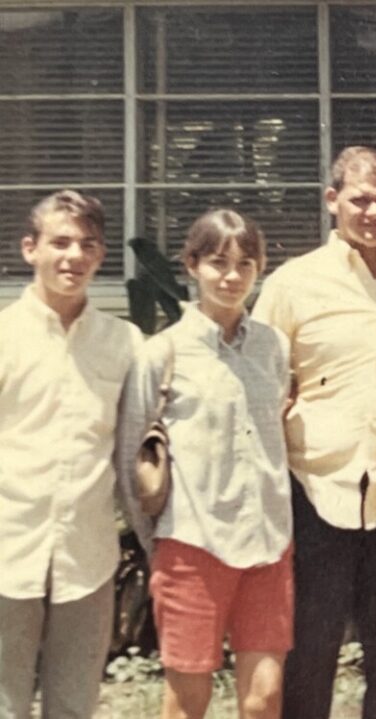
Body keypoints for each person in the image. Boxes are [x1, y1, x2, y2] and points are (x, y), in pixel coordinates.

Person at [252, 146, 376, 719]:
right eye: (359, 199)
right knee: (310, 651)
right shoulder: (294, 283)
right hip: (316, 488)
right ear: (332, 200)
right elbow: (260, 376)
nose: (372, 212)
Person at [117, 209, 293, 719]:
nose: (232, 276)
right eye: (218, 262)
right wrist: (159, 544)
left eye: (245, 263)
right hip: (192, 546)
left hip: (267, 545)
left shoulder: (273, 348)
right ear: (192, 265)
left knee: (263, 699)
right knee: (187, 703)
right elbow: (131, 457)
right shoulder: (164, 352)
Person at [0, 190, 142, 718]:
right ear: (30, 248)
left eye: (87, 244)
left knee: (74, 706)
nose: (73, 256)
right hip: (7, 549)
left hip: (87, 555)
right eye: (59, 242)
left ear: (101, 255)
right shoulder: (4, 336)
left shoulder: (125, 344)